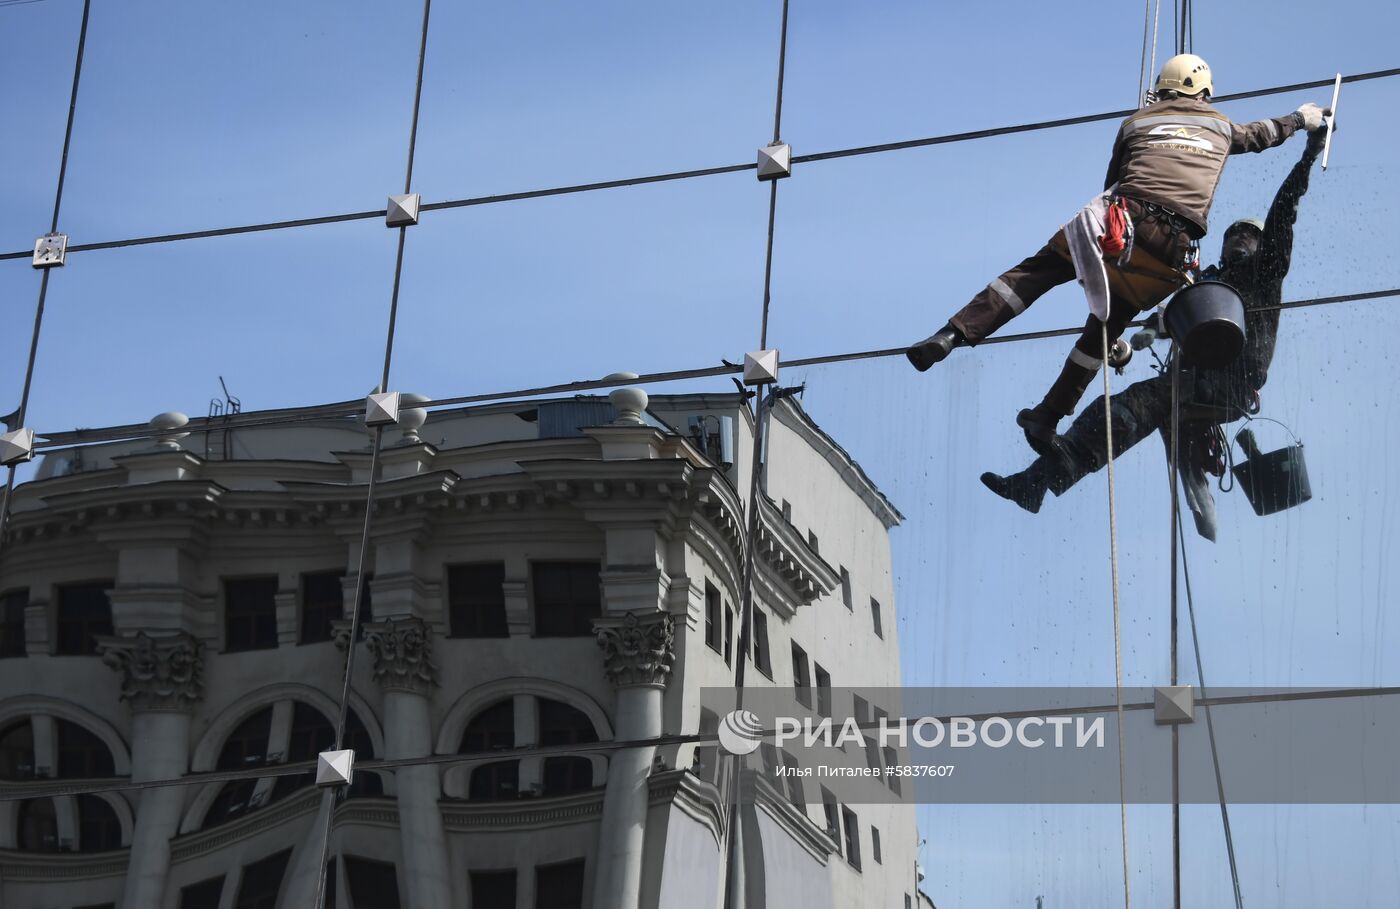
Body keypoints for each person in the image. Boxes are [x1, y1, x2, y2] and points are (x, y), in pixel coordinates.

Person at [906, 53, 1328, 453]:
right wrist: (1301, 119)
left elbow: (1114, 183)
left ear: (1164, 89)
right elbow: (1262, 135)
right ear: (1203, 92)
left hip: (1124, 223)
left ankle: (951, 335)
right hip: (1170, 249)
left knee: (1036, 273)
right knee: (1106, 328)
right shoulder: (1220, 126)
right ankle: (1048, 417)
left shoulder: (1136, 123)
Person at [979, 126, 1328, 538]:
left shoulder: (1264, 275)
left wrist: (1306, 159)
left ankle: (1041, 480)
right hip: (1198, 381)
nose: (1239, 238)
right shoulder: (1210, 282)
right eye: (1233, 233)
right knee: (1128, 410)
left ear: (1262, 245)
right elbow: (1176, 314)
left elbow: (1283, 214)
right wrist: (1143, 335)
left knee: (1136, 405)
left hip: (1230, 384)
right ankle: (1036, 483)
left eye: (1250, 235)